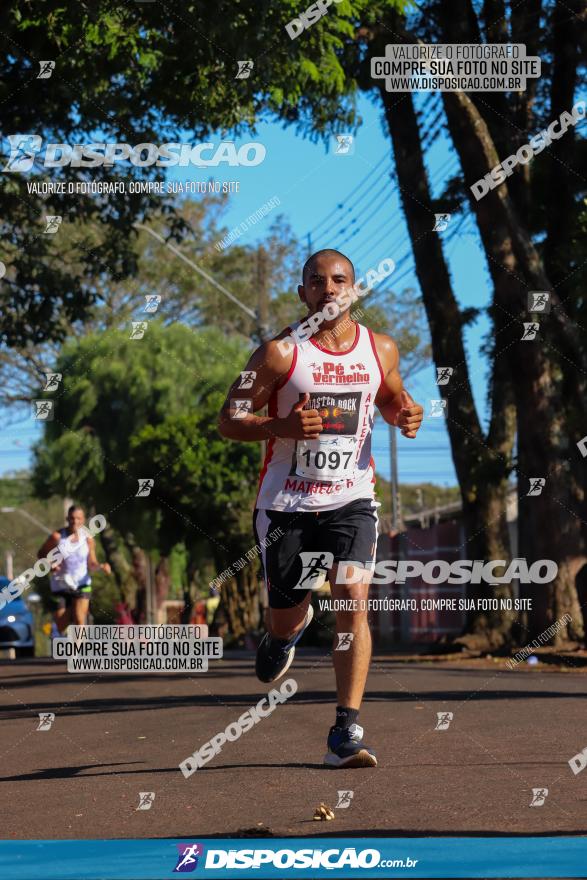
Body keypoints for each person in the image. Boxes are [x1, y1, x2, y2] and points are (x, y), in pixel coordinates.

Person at [218, 249, 423, 768]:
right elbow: (229, 419)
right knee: (285, 615)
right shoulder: (278, 356)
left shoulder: (380, 349)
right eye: (317, 281)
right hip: (286, 504)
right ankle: (284, 632)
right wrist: (278, 427)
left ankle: (345, 730)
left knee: (354, 598)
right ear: (302, 292)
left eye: (339, 281)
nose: (329, 289)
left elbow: (392, 396)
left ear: (353, 290)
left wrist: (406, 413)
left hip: (351, 498)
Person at [37, 505, 111, 633]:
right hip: (61, 584)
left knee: (79, 620)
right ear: (67, 519)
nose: (75, 521)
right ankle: (72, 607)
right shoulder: (58, 537)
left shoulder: (88, 539)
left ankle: (76, 652)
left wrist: (101, 566)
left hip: (81, 584)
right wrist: (50, 564)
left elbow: (92, 564)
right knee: (61, 625)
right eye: (72, 518)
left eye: (78, 518)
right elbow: (41, 553)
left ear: (83, 520)